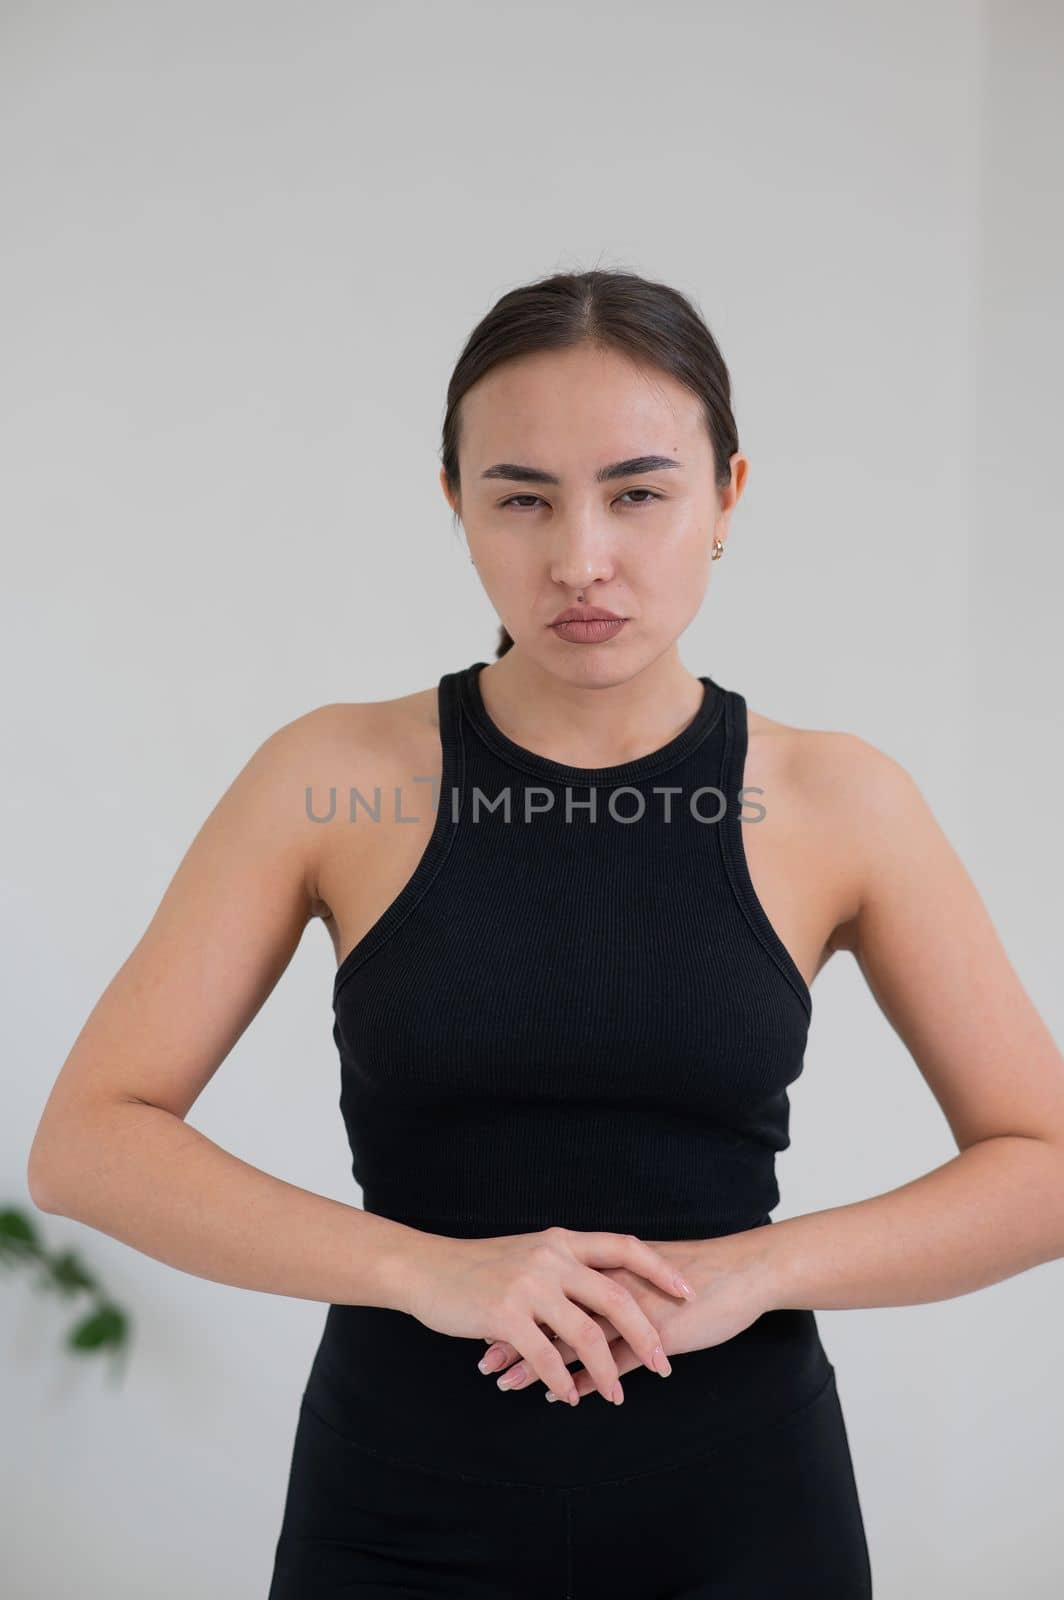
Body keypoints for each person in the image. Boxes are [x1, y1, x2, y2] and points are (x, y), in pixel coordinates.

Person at [27, 268, 1064, 1599]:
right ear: (456, 502)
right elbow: (89, 1143)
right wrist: (432, 1271)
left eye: (639, 493)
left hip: (744, 1512)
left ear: (728, 498)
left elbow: (1044, 1159)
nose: (582, 558)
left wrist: (753, 1273)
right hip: (397, 1506)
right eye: (522, 496)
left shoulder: (837, 800)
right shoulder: (330, 776)